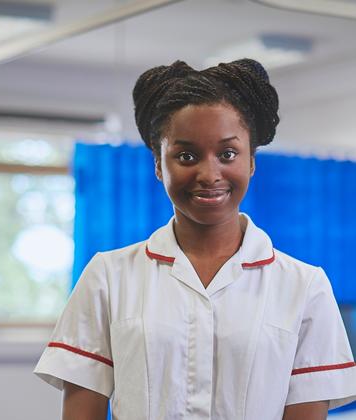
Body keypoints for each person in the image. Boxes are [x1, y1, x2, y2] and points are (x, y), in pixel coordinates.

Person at [33, 58, 356, 420]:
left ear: (251, 161)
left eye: (228, 154)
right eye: (186, 155)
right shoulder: (108, 276)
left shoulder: (304, 286)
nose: (209, 174)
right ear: (158, 163)